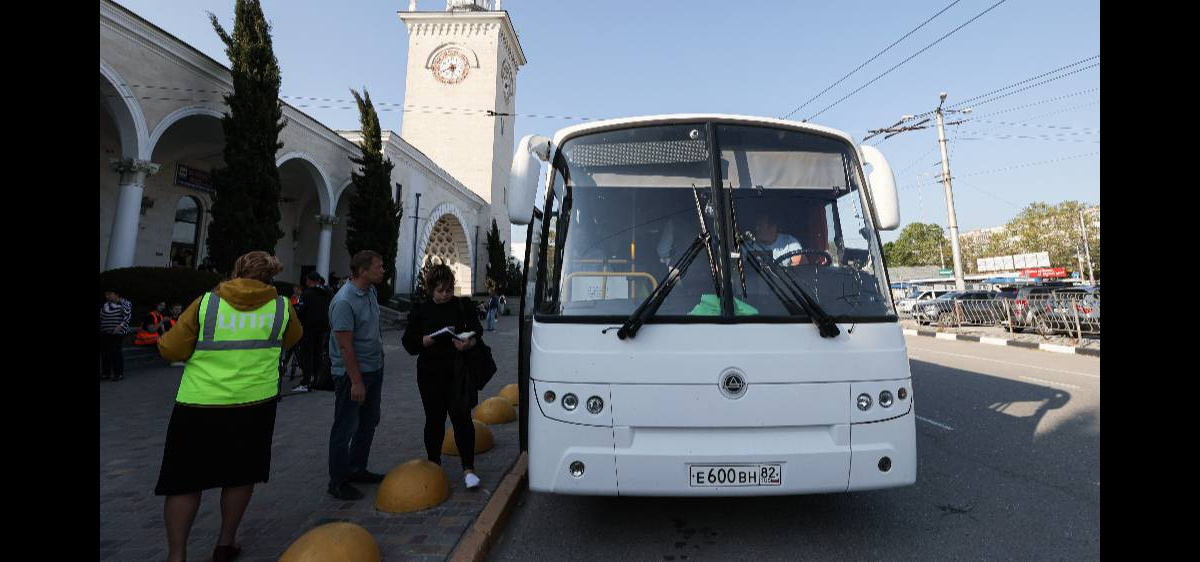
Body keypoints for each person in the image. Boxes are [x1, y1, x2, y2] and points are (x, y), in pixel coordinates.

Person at [153, 251, 303, 562]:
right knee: (239, 475)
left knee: (184, 481)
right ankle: (225, 542)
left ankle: (176, 555)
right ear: (271, 277)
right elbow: (291, 339)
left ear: (235, 271)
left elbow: (171, 349)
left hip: (199, 403)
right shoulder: (281, 307)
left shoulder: (206, 303)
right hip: (253, 404)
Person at [402, 264, 485, 490]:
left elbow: (478, 331)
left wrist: (468, 342)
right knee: (434, 420)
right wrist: (424, 341)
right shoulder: (421, 309)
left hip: (458, 372)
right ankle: (433, 465)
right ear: (431, 289)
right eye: (440, 291)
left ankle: (468, 468)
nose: (445, 295)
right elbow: (409, 341)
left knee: (462, 419)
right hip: (430, 374)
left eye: (448, 290)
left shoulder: (462, 305)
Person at [326, 251, 389, 501]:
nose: (383, 269)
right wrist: (356, 381)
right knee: (345, 427)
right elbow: (345, 347)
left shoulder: (370, 292)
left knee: (368, 422)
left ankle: (356, 468)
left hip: (375, 369)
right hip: (353, 375)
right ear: (362, 271)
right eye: (379, 266)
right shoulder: (344, 301)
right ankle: (337, 481)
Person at [293, 271, 333, 393]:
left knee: (307, 354)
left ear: (310, 280)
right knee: (318, 353)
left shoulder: (307, 293)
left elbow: (301, 311)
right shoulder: (328, 293)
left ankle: (305, 381)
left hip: (309, 327)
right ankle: (317, 378)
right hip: (324, 328)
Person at [100, 290, 132, 382]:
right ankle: (106, 373)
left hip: (117, 332)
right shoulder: (105, 305)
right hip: (105, 332)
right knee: (105, 352)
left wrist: (121, 326)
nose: (107, 296)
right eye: (106, 294)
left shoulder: (125, 303)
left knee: (116, 352)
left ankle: (118, 373)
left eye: (109, 294)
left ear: (116, 294)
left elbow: (127, 316)